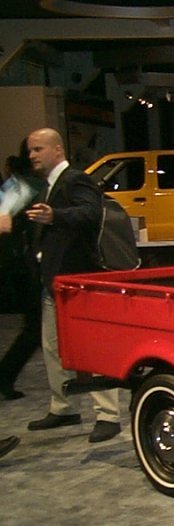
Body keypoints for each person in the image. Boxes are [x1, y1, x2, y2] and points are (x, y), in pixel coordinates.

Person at [22, 128, 121, 443]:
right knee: (52, 347)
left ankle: (108, 415)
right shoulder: (47, 186)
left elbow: (91, 214)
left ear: (57, 149)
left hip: (79, 281)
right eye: (30, 151)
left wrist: (56, 216)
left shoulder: (76, 179)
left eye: (38, 149)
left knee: (93, 349)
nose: (32, 156)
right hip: (55, 281)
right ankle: (63, 406)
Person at [0, 143, 47, 400]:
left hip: (21, 265)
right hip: (19, 267)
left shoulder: (20, 184)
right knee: (35, 328)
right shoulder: (24, 185)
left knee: (36, 328)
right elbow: (3, 223)